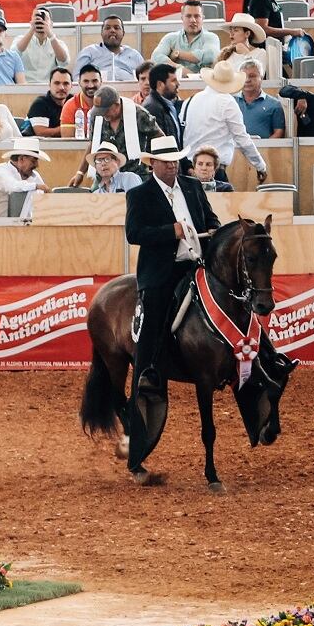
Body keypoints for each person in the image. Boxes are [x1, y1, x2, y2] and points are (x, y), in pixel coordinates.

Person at [124, 134, 218, 416]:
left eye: (175, 161)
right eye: (166, 162)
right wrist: (170, 232)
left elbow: (210, 217)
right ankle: (146, 375)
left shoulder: (192, 186)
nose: (172, 166)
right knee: (153, 319)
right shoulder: (139, 194)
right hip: (163, 272)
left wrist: (213, 229)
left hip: (196, 265)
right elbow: (134, 234)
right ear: (153, 163)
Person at [0, 136, 50, 219]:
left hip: (28, 227)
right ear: (21, 159)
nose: (37, 165)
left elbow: (45, 197)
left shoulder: (34, 176)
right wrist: (36, 186)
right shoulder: (1, 170)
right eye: (33, 161)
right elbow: (12, 186)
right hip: (1, 227)